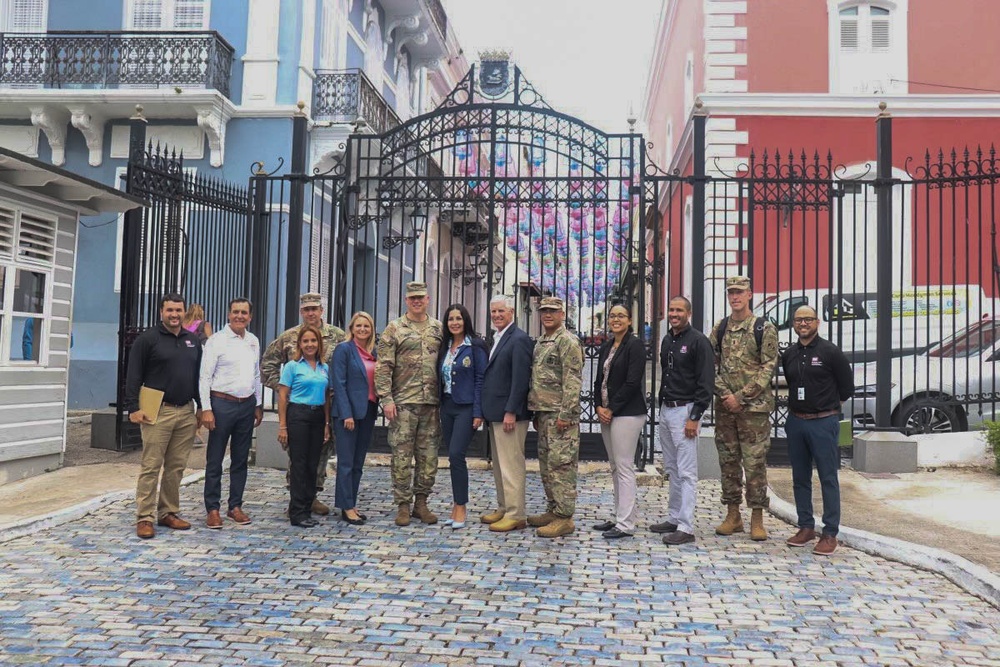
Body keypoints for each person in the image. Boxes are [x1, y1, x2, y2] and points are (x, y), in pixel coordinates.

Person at [125, 292, 203, 540]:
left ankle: (168, 512)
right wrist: (132, 408)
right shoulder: (147, 339)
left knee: (176, 467)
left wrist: (201, 407)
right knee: (151, 465)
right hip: (157, 410)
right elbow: (133, 374)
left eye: (178, 310)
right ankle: (144, 517)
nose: (174, 315)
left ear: (184, 312)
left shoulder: (193, 340)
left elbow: (199, 377)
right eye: (170, 310)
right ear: (161, 312)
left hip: (185, 411)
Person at [261, 292, 345, 515]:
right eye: (306, 309)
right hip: (297, 408)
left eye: (314, 309)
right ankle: (297, 499)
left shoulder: (337, 336)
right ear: (301, 312)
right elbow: (267, 364)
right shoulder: (289, 337)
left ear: (321, 310)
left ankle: (313, 494)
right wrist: (284, 390)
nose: (310, 313)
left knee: (321, 453)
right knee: (298, 456)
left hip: (327, 405)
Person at [710, 275, 779, 541]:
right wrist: (726, 394)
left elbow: (768, 366)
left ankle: (757, 518)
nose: (735, 297)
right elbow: (710, 363)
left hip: (754, 411)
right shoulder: (721, 327)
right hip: (726, 408)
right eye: (731, 293)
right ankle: (733, 515)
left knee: (754, 464)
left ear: (750, 294)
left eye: (740, 292)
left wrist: (742, 396)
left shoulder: (763, 328)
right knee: (728, 462)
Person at [781, 305, 854, 556]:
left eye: (808, 319)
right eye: (799, 320)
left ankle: (830, 532)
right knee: (800, 477)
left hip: (823, 421)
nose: (803, 324)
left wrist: (828, 407)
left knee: (827, 478)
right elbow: (792, 383)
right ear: (793, 324)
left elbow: (846, 387)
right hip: (796, 421)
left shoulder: (830, 352)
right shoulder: (789, 353)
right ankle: (805, 526)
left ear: (817, 322)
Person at [375, 281, 444, 527]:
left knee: (428, 457)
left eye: (421, 298)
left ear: (428, 300)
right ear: (406, 301)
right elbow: (383, 366)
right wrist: (386, 398)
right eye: (412, 298)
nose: (416, 301)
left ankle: (421, 503)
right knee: (401, 457)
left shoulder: (438, 328)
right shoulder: (394, 329)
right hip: (403, 403)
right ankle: (403, 505)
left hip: (431, 404)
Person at [650, 296, 714, 546]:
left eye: (679, 310)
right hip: (667, 409)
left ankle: (686, 527)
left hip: (686, 411)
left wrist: (695, 417)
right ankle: (674, 517)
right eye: (671, 310)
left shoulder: (699, 341)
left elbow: (706, 383)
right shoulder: (667, 339)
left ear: (689, 312)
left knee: (687, 472)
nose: (674, 314)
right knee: (672, 468)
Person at [198, 298, 264, 529]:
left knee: (240, 458)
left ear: (250, 316)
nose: (239, 316)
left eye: (244, 313)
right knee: (215, 459)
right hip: (221, 404)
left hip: (246, 405)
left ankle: (235, 505)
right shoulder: (217, 341)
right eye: (235, 312)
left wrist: (258, 404)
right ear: (228, 315)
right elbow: (205, 377)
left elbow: (256, 375)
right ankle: (212, 509)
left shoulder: (253, 341)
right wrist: (206, 408)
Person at [527, 296, 584, 538]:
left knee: (562, 466)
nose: (547, 315)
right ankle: (553, 509)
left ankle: (564, 517)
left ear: (562, 314)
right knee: (547, 466)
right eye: (544, 311)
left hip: (561, 416)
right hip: (544, 413)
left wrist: (567, 413)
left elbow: (573, 380)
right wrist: (536, 411)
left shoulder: (567, 341)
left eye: (552, 311)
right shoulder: (542, 341)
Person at [592, 303, 648, 539]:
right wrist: (598, 406)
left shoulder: (634, 345)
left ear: (629, 320)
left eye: (621, 316)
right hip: (607, 412)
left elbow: (632, 382)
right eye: (613, 316)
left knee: (624, 467)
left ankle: (626, 525)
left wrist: (612, 408)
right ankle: (620, 516)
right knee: (614, 466)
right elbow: (599, 380)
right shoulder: (607, 346)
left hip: (627, 413)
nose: (616, 319)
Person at [480, 294, 534, 533]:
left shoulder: (519, 339)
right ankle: (504, 507)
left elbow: (521, 379)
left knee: (511, 465)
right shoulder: (498, 337)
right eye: (493, 312)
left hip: (509, 414)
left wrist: (511, 410)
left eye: (501, 311)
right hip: (496, 412)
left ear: (512, 312)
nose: (497, 316)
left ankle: (516, 514)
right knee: (500, 465)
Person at [436, 304, 488, 530]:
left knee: (457, 455)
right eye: (450, 319)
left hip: (466, 408)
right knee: (452, 456)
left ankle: (461, 506)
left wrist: (478, 412)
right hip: (447, 406)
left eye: (458, 318)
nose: (454, 322)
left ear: (465, 320)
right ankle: (455, 505)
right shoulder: (444, 346)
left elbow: (480, 380)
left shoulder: (475, 346)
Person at [276, 326, 331, 528]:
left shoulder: (324, 368)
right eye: (305, 341)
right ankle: (297, 512)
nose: (310, 345)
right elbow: (282, 396)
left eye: (313, 341)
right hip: (298, 415)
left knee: (312, 464)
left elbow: (326, 397)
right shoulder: (292, 366)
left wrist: (326, 424)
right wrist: (283, 426)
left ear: (319, 344)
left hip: (317, 416)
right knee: (299, 464)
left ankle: (307, 508)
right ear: (300, 344)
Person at [330, 312, 379, 526]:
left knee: (358, 462)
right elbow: (338, 384)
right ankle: (346, 506)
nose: (362, 329)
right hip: (347, 414)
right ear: (352, 328)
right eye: (358, 326)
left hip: (367, 411)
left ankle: (351, 502)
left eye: (366, 326)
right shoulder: (344, 350)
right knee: (347, 462)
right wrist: (346, 413)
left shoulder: (374, 352)